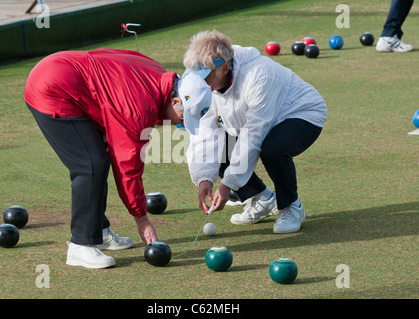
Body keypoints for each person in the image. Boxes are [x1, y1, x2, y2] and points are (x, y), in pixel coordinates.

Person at [24, 48, 211, 268]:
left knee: (98, 157)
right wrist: (142, 219)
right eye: (182, 118)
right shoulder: (138, 110)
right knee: (90, 164)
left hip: (70, 77)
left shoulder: (159, 75)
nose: (179, 125)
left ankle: (99, 231)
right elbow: (127, 168)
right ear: (177, 100)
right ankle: (80, 245)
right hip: (52, 88)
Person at [183, 30, 327, 234]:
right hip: (252, 121)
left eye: (204, 77)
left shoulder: (259, 75)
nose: (201, 84)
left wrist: (227, 185)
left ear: (223, 69)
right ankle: (261, 199)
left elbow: (253, 136)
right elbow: (205, 133)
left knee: (272, 149)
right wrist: (204, 178)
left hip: (302, 113)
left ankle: (291, 207)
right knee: (222, 147)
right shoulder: (206, 87)